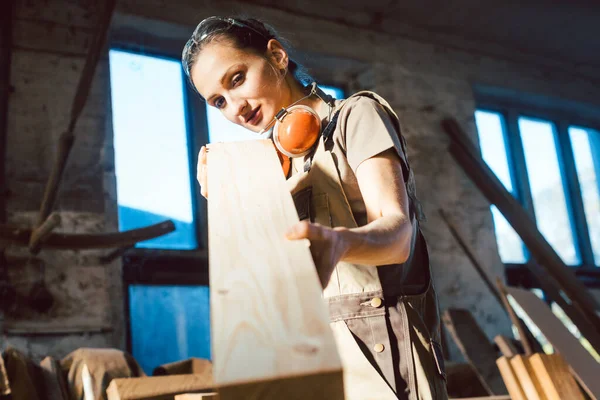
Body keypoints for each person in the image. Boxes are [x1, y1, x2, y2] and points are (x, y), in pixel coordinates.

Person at [182, 16, 448, 400]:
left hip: (387, 350)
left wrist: (339, 243)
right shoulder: (267, 168)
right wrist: (229, 200)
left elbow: (398, 234)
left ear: (276, 55)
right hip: (317, 355)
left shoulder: (355, 117)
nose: (235, 107)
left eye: (237, 78)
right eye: (218, 101)